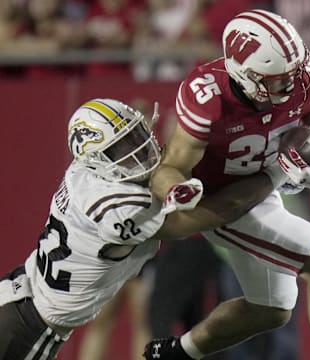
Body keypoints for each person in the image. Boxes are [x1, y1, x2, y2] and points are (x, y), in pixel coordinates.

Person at [144, 8, 310, 360]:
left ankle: (179, 353)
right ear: (245, 75)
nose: (292, 84)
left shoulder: (301, 78)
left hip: (265, 191)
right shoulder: (208, 98)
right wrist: (177, 190)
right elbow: (170, 167)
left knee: (272, 310)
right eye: (279, 79)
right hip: (221, 202)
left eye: (294, 72)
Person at [0, 97, 286, 359]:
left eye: (136, 134)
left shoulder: (82, 172)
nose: (138, 149)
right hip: (31, 325)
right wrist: (278, 172)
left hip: (17, 291)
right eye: (122, 148)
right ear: (98, 160)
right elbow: (221, 212)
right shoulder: (120, 209)